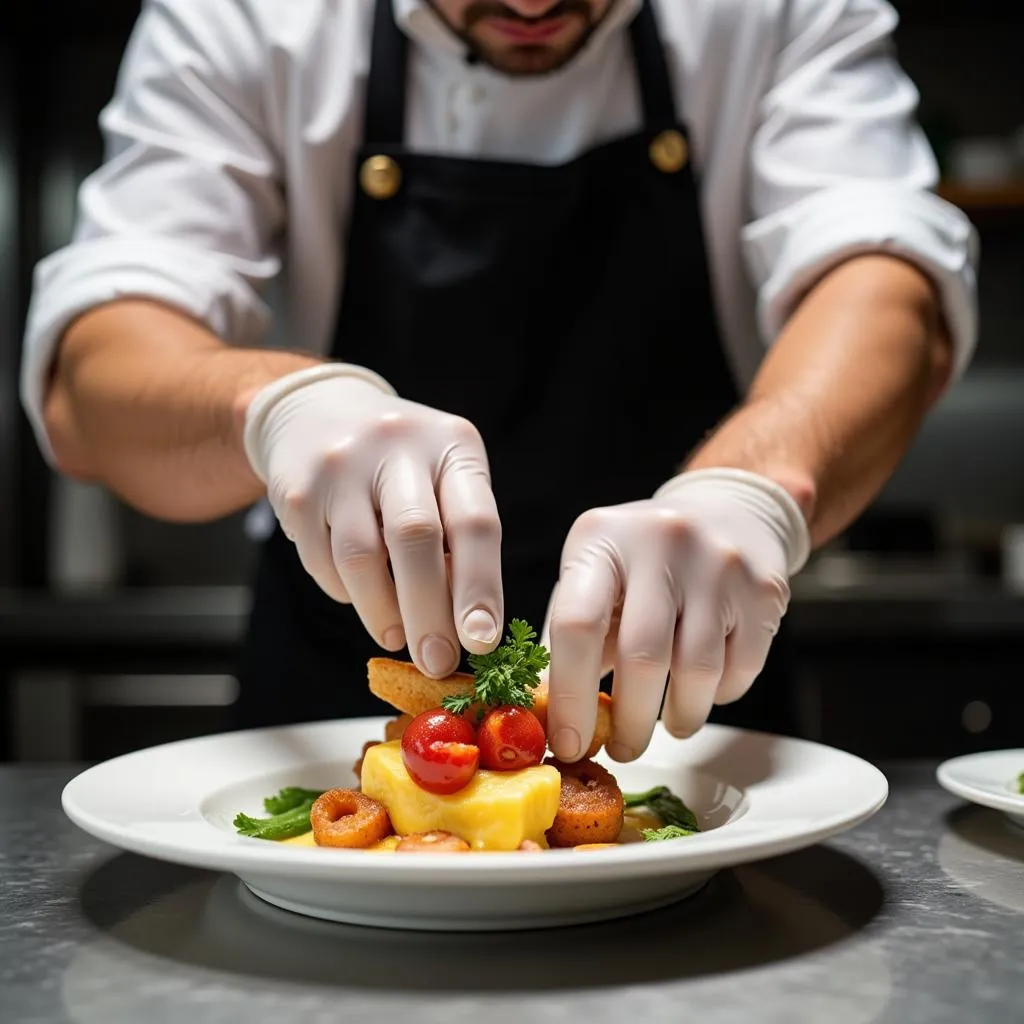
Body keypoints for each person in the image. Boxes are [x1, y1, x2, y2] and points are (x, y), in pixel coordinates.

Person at [23, 0, 976, 764]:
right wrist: (276, 408)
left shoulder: (776, 14)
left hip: (689, 705)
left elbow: (888, 288)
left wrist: (760, 487)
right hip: (330, 706)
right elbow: (89, 380)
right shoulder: (245, 18)